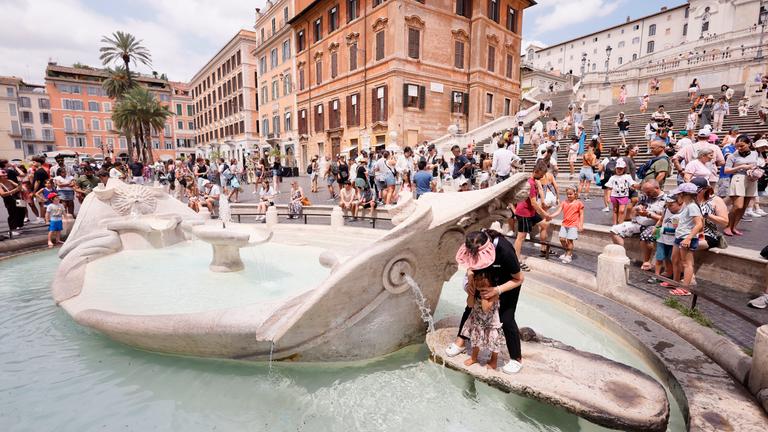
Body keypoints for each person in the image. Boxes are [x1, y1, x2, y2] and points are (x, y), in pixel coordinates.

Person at [448, 230, 525, 375]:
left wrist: (498, 290)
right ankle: (461, 341)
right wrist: (471, 277)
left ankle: (516, 358)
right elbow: (471, 267)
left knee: (506, 318)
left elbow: (519, 278)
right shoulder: (475, 239)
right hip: (483, 279)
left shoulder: (505, 250)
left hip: (507, 282)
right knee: (471, 309)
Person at [610, 180, 666, 271]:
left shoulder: (667, 200)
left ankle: (646, 261)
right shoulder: (644, 197)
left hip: (657, 226)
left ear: (657, 188)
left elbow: (666, 219)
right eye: (645, 192)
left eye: (649, 192)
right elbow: (632, 213)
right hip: (638, 223)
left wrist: (649, 214)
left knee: (646, 235)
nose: (647, 194)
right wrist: (637, 209)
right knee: (614, 230)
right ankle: (622, 255)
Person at [513, 160, 553, 268]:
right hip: (524, 213)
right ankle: (516, 261)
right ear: (536, 171)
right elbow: (534, 203)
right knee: (521, 237)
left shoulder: (533, 180)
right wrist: (545, 214)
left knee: (544, 224)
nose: (543, 176)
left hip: (530, 211)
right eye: (542, 174)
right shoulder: (530, 183)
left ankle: (543, 249)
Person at [460, 272, 503, 370]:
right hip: (477, 321)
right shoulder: (475, 292)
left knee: (494, 341)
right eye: (476, 280)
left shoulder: (493, 294)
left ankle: (494, 361)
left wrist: (484, 293)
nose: (479, 282)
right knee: (476, 339)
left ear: (491, 281)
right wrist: (472, 293)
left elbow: (485, 308)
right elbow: (470, 304)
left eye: (482, 279)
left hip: (490, 322)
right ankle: (474, 358)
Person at [668, 183, 704, 296]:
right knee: (675, 259)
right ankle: (675, 282)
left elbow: (699, 224)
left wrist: (688, 238)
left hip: (686, 237)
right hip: (680, 236)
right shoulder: (688, 206)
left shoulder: (692, 206)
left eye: (679, 194)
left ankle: (685, 288)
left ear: (684, 194)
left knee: (687, 263)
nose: (677, 196)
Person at [723, 135, 759, 236]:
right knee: (738, 205)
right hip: (738, 178)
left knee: (744, 207)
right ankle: (728, 226)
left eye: (742, 146)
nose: (739, 148)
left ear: (748, 144)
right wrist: (742, 166)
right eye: (737, 146)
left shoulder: (754, 153)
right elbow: (726, 170)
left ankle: (734, 227)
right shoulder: (732, 156)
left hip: (751, 179)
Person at [650, 195, 681, 284]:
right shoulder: (667, 210)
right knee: (659, 257)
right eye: (667, 205)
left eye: (671, 205)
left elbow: (676, 229)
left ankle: (671, 275)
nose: (669, 207)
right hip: (662, 239)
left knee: (672, 258)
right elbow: (661, 219)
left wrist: (663, 230)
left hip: (673, 240)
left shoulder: (679, 215)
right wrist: (656, 227)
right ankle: (656, 275)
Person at [550, 186, 584, 264]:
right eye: (567, 194)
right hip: (564, 224)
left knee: (569, 240)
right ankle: (568, 252)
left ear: (575, 194)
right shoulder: (564, 202)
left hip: (573, 224)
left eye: (570, 194)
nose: (568, 196)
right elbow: (558, 211)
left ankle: (568, 255)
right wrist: (551, 216)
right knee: (562, 239)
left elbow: (581, 215)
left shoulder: (579, 203)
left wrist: (581, 225)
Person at [604, 159, 636, 225]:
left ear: (624, 169)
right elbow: (609, 188)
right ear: (615, 169)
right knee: (615, 210)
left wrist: (636, 186)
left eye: (621, 169)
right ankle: (615, 224)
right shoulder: (613, 177)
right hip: (614, 195)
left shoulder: (627, 176)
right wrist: (608, 197)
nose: (619, 170)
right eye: (618, 168)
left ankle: (620, 224)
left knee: (621, 210)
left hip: (623, 196)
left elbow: (632, 184)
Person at [0, 169, 25, 236]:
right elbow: (2, 194)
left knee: (22, 211)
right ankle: (12, 229)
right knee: (13, 214)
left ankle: (18, 226)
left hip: (16, 198)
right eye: (3, 176)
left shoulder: (9, 181)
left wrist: (20, 184)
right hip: (9, 200)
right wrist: (15, 190)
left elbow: (18, 186)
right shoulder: (0, 184)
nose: (6, 177)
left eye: (6, 175)